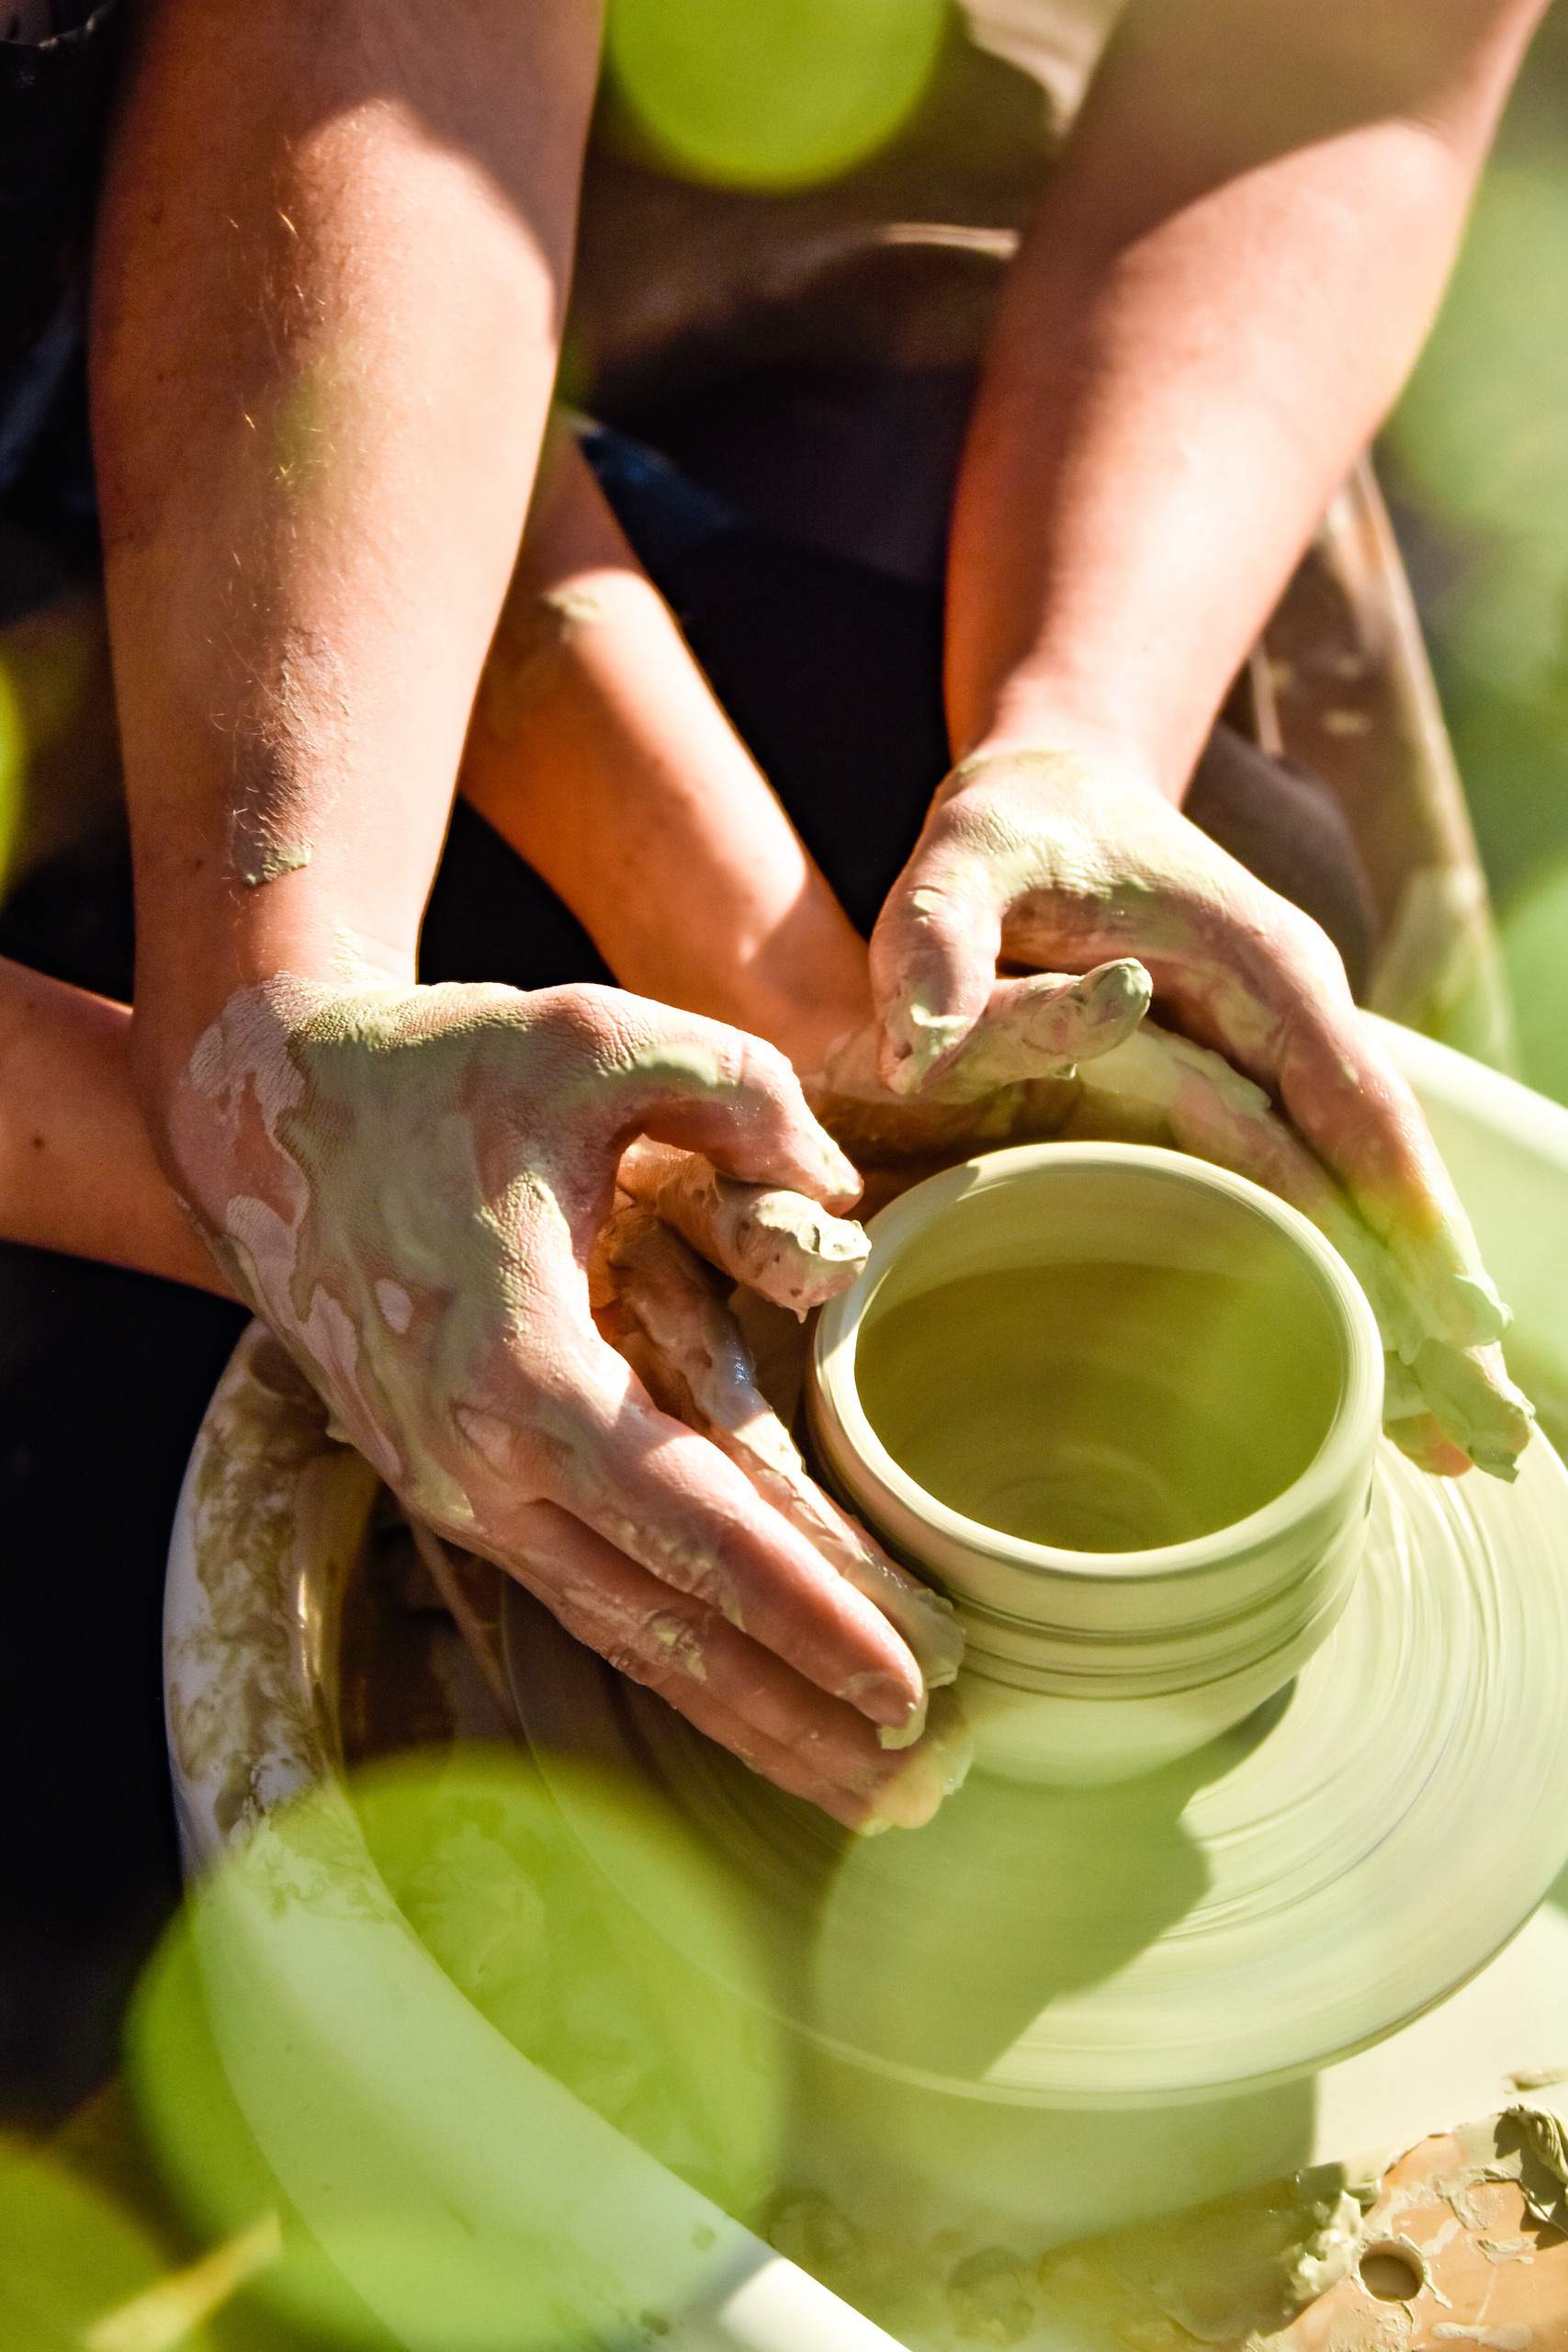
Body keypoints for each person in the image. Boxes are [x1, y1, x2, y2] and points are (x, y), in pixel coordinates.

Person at [0, 0, 1547, 1825]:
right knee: (82, 1723)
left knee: (1222, 871)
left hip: (161, 277)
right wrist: (254, 1161)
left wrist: (887, 905)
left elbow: (381, 64)